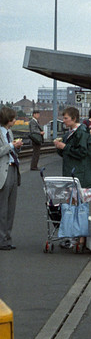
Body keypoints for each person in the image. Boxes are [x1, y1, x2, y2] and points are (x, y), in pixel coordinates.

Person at [1, 106, 23, 250]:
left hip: (14, 169)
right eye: (13, 118)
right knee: (2, 208)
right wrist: (10, 145)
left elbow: (11, 150)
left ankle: (7, 238)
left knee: (11, 207)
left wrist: (17, 147)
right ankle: (1, 240)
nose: (15, 120)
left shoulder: (9, 132)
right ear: (8, 119)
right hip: (3, 172)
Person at [54, 107, 91, 188]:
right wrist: (59, 147)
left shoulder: (81, 133)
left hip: (79, 174)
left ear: (74, 118)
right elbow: (66, 153)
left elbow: (82, 152)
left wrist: (65, 147)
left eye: (66, 118)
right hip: (73, 173)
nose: (64, 121)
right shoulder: (70, 133)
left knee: (77, 199)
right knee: (72, 199)